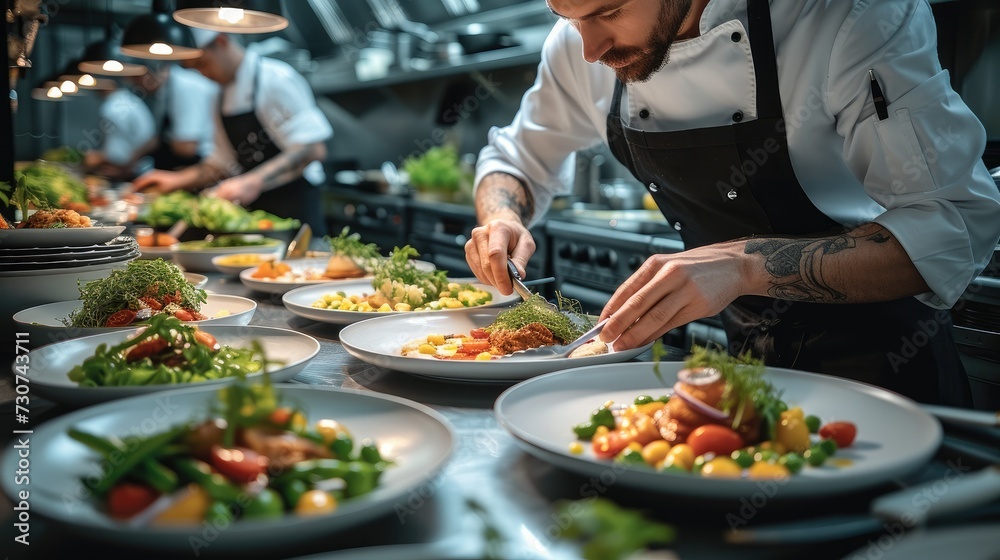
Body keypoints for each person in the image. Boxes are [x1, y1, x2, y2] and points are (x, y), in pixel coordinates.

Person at [464, 0, 1000, 406]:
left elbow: (953, 225)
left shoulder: (845, 18)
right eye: (567, 14)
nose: (589, 48)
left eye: (609, 11)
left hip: (885, 376)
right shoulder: (579, 41)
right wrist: (502, 216)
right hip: (742, 371)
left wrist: (744, 265)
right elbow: (516, 159)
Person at [129, 31, 332, 236]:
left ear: (221, 41)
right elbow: (222, 163)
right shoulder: (218, 97)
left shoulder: (275, 79)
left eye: (202, 64)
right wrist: (176, 180)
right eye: (194, 68)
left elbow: (312, 149)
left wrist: (253, 181)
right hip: (255, 218)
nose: (201, 74)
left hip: (296, 211)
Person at [128, 62, 217, 171]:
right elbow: (156, 139)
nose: (134, 84)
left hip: (204, 165)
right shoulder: (163, 90)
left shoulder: (184, 87)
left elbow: (186, 147)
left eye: (137, 77)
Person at [82, 82, 157, 181]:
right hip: (134, 169)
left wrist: (100, 157)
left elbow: (151, 142)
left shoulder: (113, 107)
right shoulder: (128, 100)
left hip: (134, 173)